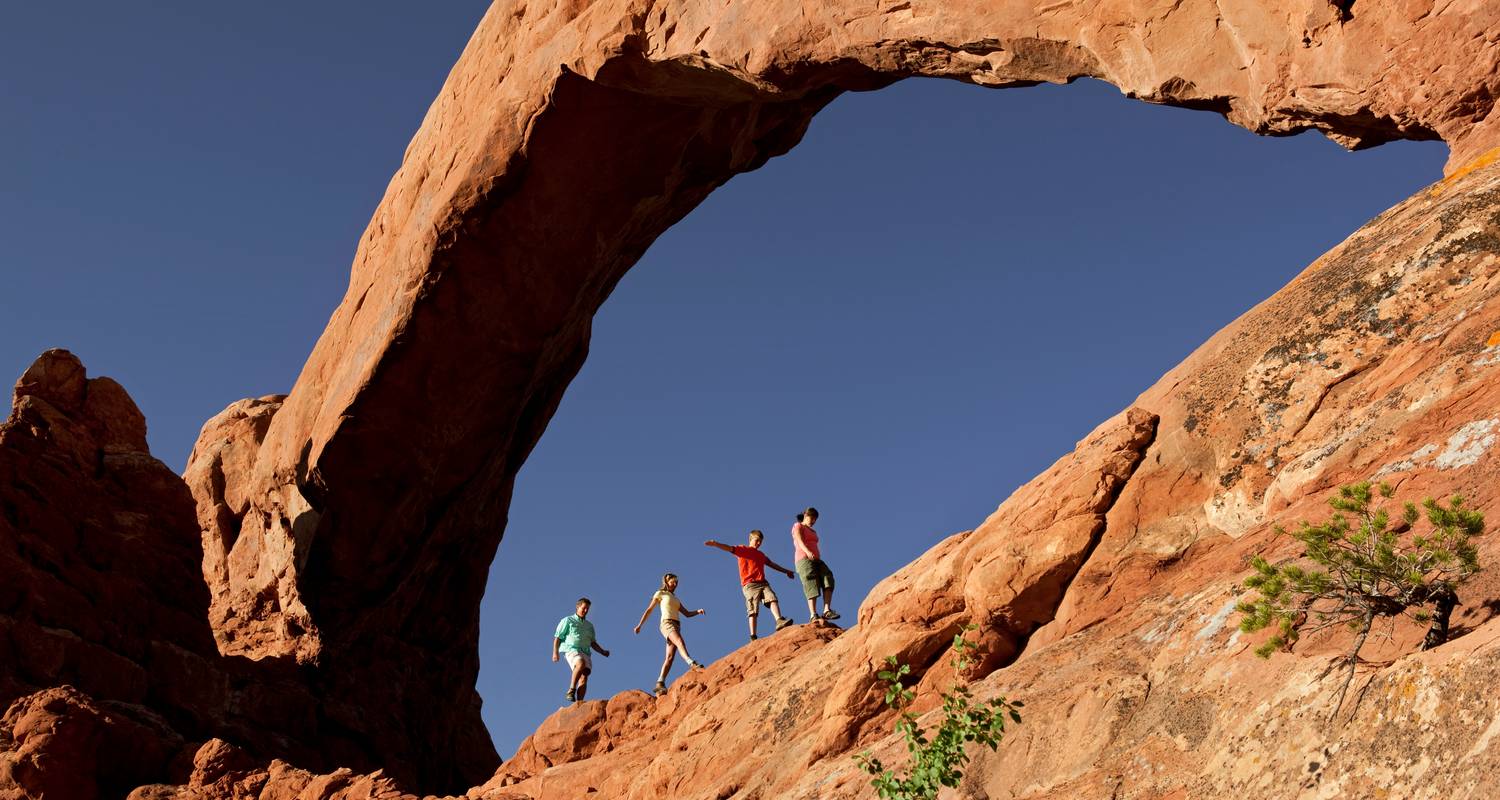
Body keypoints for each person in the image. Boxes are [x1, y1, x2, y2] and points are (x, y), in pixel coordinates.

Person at [705, 530, 796, 642]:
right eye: (757, 540)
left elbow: (772, 564)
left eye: (760, 542)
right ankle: (753, 636)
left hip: (763, 582)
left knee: (772, 598)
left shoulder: (761, 555)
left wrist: (786, 571)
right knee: (753, 609)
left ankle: (779, 620)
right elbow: (729, 548)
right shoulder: (743, 550)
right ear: (750, 539)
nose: (758, 543)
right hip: (750, 585)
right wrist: (716, 544)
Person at [634, 573, 705, 696]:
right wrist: (640, 625)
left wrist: (697, 612)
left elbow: (686, 613)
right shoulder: (661, 593)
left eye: (676, 582)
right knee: (679, 641)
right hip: (666, 624)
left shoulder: (676, 599)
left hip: (677, 625)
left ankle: (660, 682)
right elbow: (649, 610)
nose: (675, 584)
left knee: (670, 657)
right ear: (666, 582)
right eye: (673, 582)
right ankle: (691, 663)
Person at [552, 597, 610, 702]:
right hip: (571, 649)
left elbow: (593, 642)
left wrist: (602, 651)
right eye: (583, 608)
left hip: (586, 652)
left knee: (584, 676)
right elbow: (558, 637)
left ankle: (579, 703)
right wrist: (555, 653)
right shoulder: (567, 620)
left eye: (587, 609)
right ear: (578, 607)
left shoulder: (589, 626)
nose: (586, 610)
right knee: (580, 663)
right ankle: (571, 690)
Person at [792, 507, 839, 622]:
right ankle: (813, 614)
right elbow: (799, 540)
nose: (813, 521)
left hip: (816, 559)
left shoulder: (813, 531)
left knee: (828, 577)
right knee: (811, 583)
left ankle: (826, 610)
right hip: (804, 558)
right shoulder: (798, 526)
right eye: (811, 518)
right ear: (805, 515)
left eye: (815, 519)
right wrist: (807, 552)